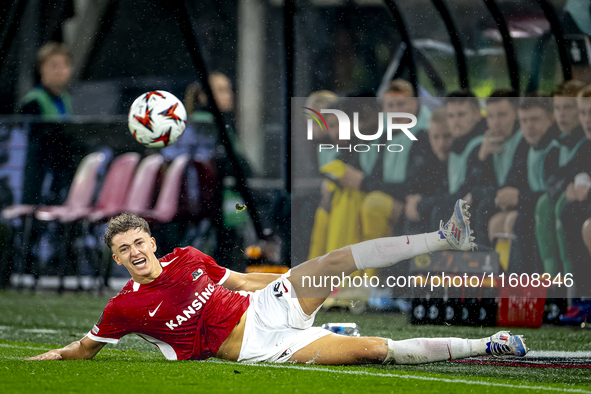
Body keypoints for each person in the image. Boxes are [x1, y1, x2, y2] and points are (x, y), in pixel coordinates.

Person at [27, 206, 527, 364]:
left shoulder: (189, 257)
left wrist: (293, 275)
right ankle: (490, 344)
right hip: (265, 348)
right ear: (116, 260)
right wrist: (38, 360)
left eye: (139, 242)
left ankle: (445, 236)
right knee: (374, 350)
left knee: (337, 260)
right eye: (123, 250)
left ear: (152, 241)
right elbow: (85, 349)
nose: (135, 253)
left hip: (270, 303)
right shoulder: (124, 307)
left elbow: (244, 279)